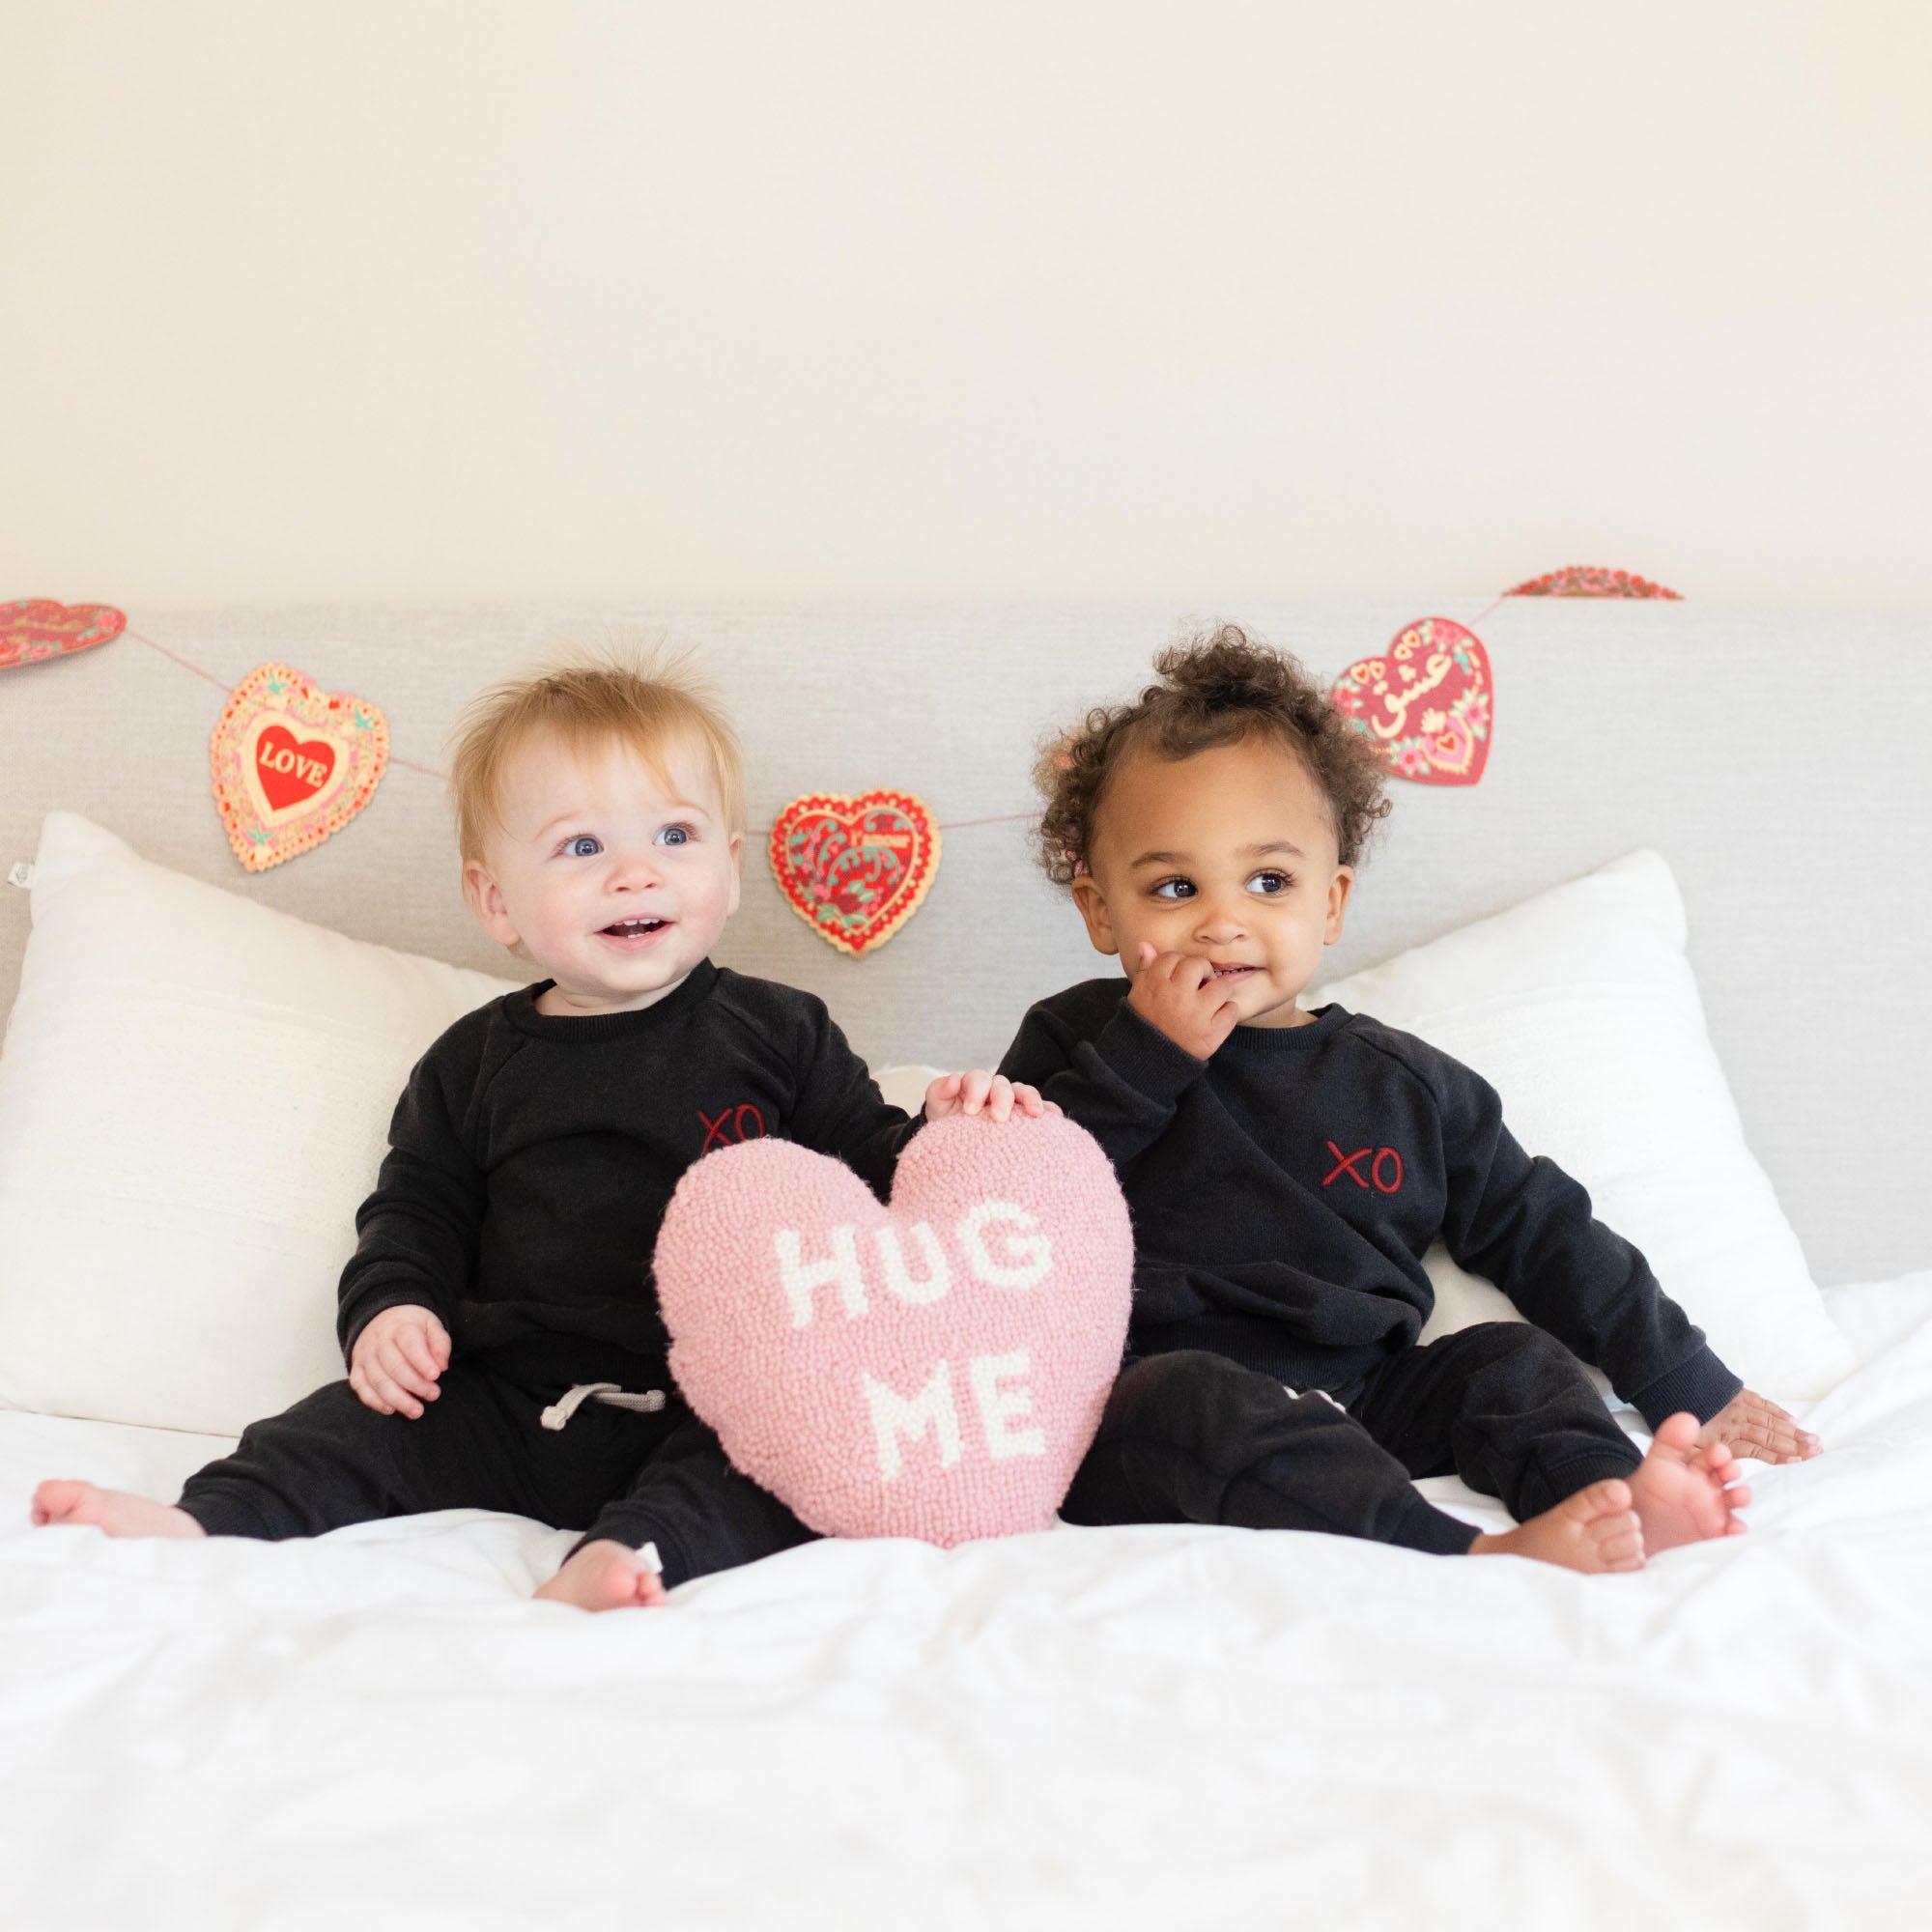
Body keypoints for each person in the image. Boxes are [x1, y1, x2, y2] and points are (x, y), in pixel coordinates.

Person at [33, 651, 1044, 1610]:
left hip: (719, 1392)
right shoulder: (472, 1064)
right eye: (582, 847)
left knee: (784, 1455)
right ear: (495, 900)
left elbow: (874, 1177)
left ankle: (627, 1550)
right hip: (511, 1397)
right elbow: (415, 1213)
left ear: (731, 870)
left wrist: (948, 1131)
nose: (634, 873)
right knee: (341, 1429)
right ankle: (201, 1520)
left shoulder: (779, 1031)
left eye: (674, 836)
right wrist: (390, 1310)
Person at [997, 626, 1819, 1573]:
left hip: (1366, 1394)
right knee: (1188, 1399)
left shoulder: (1407, 1087)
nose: (1223, 921)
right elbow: (1000, 1215)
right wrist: (1147, 1057)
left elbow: (1548, 1234)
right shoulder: (1079, 1040)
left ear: (1330, 902)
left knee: (1510, 1363)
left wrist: (1690, 1381)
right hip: (1138, 1399)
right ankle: (1467, 1550)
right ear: (1101, 910)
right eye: (1176, 886)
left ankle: (1606, 1504)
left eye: (1268, 881)